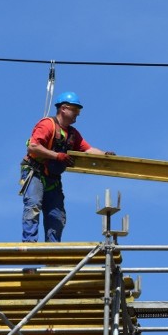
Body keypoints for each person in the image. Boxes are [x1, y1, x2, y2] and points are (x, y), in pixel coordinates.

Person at [20, 91, 115, 242]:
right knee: (33, 207)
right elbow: (33, 147)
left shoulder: (72, 134)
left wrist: (104, 154)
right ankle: (29, 248)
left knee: (56, 216)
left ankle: (53, 256)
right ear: (63, 108)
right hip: (35, 172)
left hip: (52, 179)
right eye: (75, 110)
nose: (78, 114)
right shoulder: (47, 125)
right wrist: (57, 156)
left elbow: (88, 150)